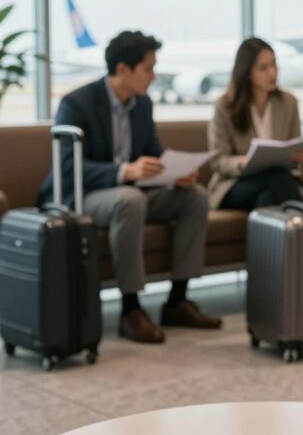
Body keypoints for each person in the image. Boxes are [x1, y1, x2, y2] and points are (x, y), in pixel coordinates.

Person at [37, 31, 222, 345]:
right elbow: (67, 167)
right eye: (148, 69)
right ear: (123, 69)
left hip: (131, 192)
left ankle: (177, 301)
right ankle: (131, 309)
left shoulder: (142, 105)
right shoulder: (76, 104)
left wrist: (172, 173)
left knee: (194, 197)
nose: (154, 76)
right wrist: (124, 171)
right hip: (81, 196)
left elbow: (151, 153)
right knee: (130, 199)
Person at [207, 37, 303, 211]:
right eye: (263, 68)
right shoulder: (225, 106)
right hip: (237, 184)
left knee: (267, 197)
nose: (272, 73)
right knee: (276, 178)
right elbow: (218, 161)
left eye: (274, 64)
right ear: (247, 73)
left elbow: (295, 146)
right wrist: (242, 162)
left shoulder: (288, 103)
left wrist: (300, 158)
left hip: (276, 183)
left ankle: (280, 228)